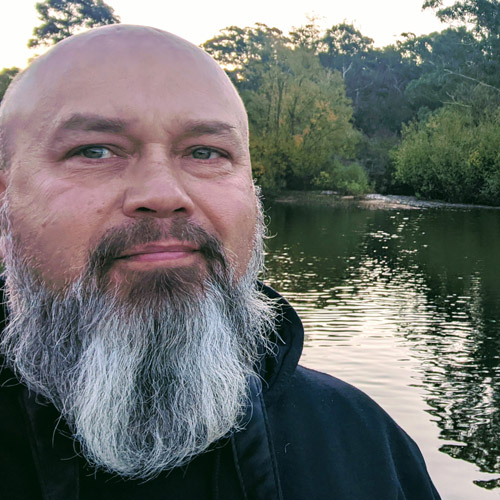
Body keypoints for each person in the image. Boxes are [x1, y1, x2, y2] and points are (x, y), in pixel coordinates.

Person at [0, 24, 440, 500]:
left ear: (252, 192)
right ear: (5, 203)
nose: (163, 194)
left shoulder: (361, 445)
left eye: (206, 152)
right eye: (94, 151)